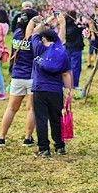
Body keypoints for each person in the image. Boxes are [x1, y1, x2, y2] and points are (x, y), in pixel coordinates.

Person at [0, 8, 38, 147]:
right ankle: (28, 138)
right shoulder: (35, 36)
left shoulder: (16, 34)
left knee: (11, 108)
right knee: (31, 109)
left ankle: (1, 137)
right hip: (32, 76)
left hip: (17, 75)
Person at [27, 16, 74, 157]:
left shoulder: (38, 47)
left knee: (41, 119)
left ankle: (44, 149)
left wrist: (44, 21)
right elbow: (66, 74)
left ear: (43, 39)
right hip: (55, 90)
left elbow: (33, 32)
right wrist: (68, 90)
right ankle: (60, 146)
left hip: (40, 89)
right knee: (56, 118)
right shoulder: (62, 52)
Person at [63, 10, 86, 93]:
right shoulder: (76, 28)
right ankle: (74, 84)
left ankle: (66, 83)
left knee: (67, 67)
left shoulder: (65, 26)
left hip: (67, 48)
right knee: (75, 67)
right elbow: (84, 29)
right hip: (75, 49)